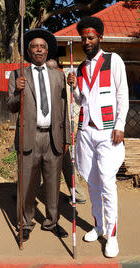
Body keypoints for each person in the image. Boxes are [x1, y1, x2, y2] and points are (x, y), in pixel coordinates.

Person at [67, 16, 129, 258]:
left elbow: (122, 95)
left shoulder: (114, 60)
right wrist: (73, 86)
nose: (87, 41)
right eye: (83, 38)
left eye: (91, 37)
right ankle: (98, 226)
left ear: (99, 38)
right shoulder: (81, 68)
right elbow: (81, 100)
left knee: (107, 183)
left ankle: (112, 235)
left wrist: (120, 125)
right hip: (86, 132)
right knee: (92, 183)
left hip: (108, 133)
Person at [8, 28, 71, 242]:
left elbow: (64, 109)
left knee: (53, 184)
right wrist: (17, 91)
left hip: (54, 136)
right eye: (34, 46)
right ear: (28, 51)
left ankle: (52, 222)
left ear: (47, 51)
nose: (38, 50)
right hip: (29, 136)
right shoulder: (18, 75)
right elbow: (11, 107)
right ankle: (25, 223)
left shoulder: (58, 76)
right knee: (27, 184)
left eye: (42, 47)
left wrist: (67, 138)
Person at [46, 59, 87, 205]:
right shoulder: (51, 82)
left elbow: (66, 113)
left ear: (57, 70)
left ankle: (78, 194)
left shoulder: (62, 83)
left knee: (66, 164)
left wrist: (67, 137)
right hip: (51, 132)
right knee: (63, 164)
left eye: (52, 69)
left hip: (60, 132)